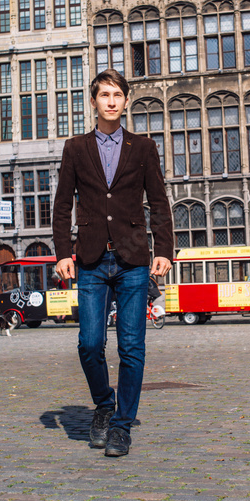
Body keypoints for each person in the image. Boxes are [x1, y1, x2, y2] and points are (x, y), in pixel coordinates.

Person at [53, 69, 173, 458]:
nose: (110, 101)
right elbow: (62, 206)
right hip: (89, 258)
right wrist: (61, 254)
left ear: (125, 101)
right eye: (103, 94)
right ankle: (104, 403)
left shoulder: (143, 148)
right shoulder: (75, 148)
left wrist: (164, 250)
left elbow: (159, 202)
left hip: (133, 258)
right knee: (89, 344)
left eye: (117, 94)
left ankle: (121, 426)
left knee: (132, 347)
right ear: (94, 101)